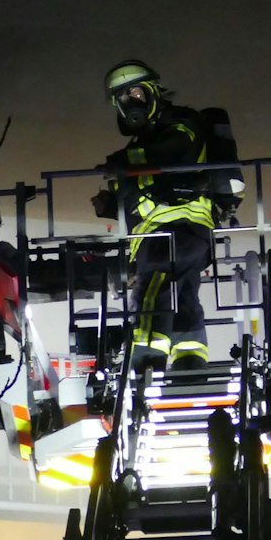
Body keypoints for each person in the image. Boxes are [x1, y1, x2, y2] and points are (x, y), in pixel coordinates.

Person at [92, 59, 216, 370]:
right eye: (122, 98)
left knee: (151, 294)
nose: (130, 102)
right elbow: (145, 189)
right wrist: (112, 204)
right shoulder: (143, 143)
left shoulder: (182, 122)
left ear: (153, 91)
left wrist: (121, 161)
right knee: (184, 294)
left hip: (170, 230)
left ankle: (146, 361)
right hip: (183, 233)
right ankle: (190, 360)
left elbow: (171, 150)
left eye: (135, 92)